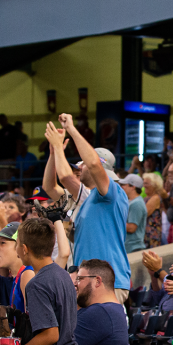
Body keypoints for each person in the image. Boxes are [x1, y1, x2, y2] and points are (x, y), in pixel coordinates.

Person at [50, 114, 131, 302]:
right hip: (88, 281)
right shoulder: (88, 199)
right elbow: (64, 177)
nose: (79, 168)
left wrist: (70, 127)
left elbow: (94, 162)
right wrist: (56, 149)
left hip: (106, 283)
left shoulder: (112, 192)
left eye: (83, 163)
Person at [17, 218, 86, 345]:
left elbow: (50, 335)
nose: (16, 250)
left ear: (25, 249)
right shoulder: (63, 274)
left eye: (17, 244)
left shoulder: (36, 284)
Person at [74, 259, 127, 345]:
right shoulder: (115, 310)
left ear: (97, 281)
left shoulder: (99, 313)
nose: (75, 283)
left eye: (80, 279)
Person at [118, 174, 146, 253]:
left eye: (124, 185)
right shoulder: (131, 201)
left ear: (133, 187)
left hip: (134, 248)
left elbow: (131, 228)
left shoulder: (137, 204)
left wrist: (114, 220)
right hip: (128, 247)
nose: (122, 187)